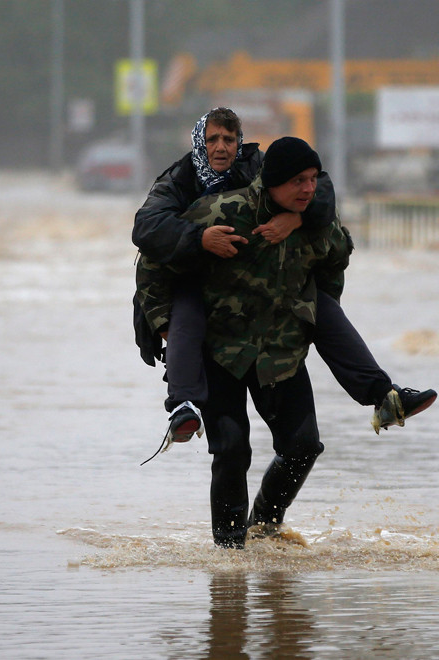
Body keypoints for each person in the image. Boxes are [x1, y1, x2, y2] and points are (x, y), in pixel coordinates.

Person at [132, 108, 435, 450]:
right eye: (212, 139)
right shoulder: (178, 180)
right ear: (199, 142)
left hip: (264, 284)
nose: (221, 148)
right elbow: (145, 229)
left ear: (239, 142)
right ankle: (183, 407)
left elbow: (317, 189)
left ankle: (385, 396)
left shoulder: (258, 166)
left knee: (320, 307)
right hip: (193, 277)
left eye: (229, 139)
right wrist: (199, 239)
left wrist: (297, 218)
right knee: (188, 316)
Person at [139, 137, 359, 547]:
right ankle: (228, 555)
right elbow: (150, 254)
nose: (309, 188)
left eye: (312, 179)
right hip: (219, 346)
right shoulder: (207, 202)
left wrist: (318, 309)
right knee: (232, 450)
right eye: (298, 181)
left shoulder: (304, 208)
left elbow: (337, 254)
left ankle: (264, 525)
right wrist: (161, 321)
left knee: (304, 446)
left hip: (278, 348)